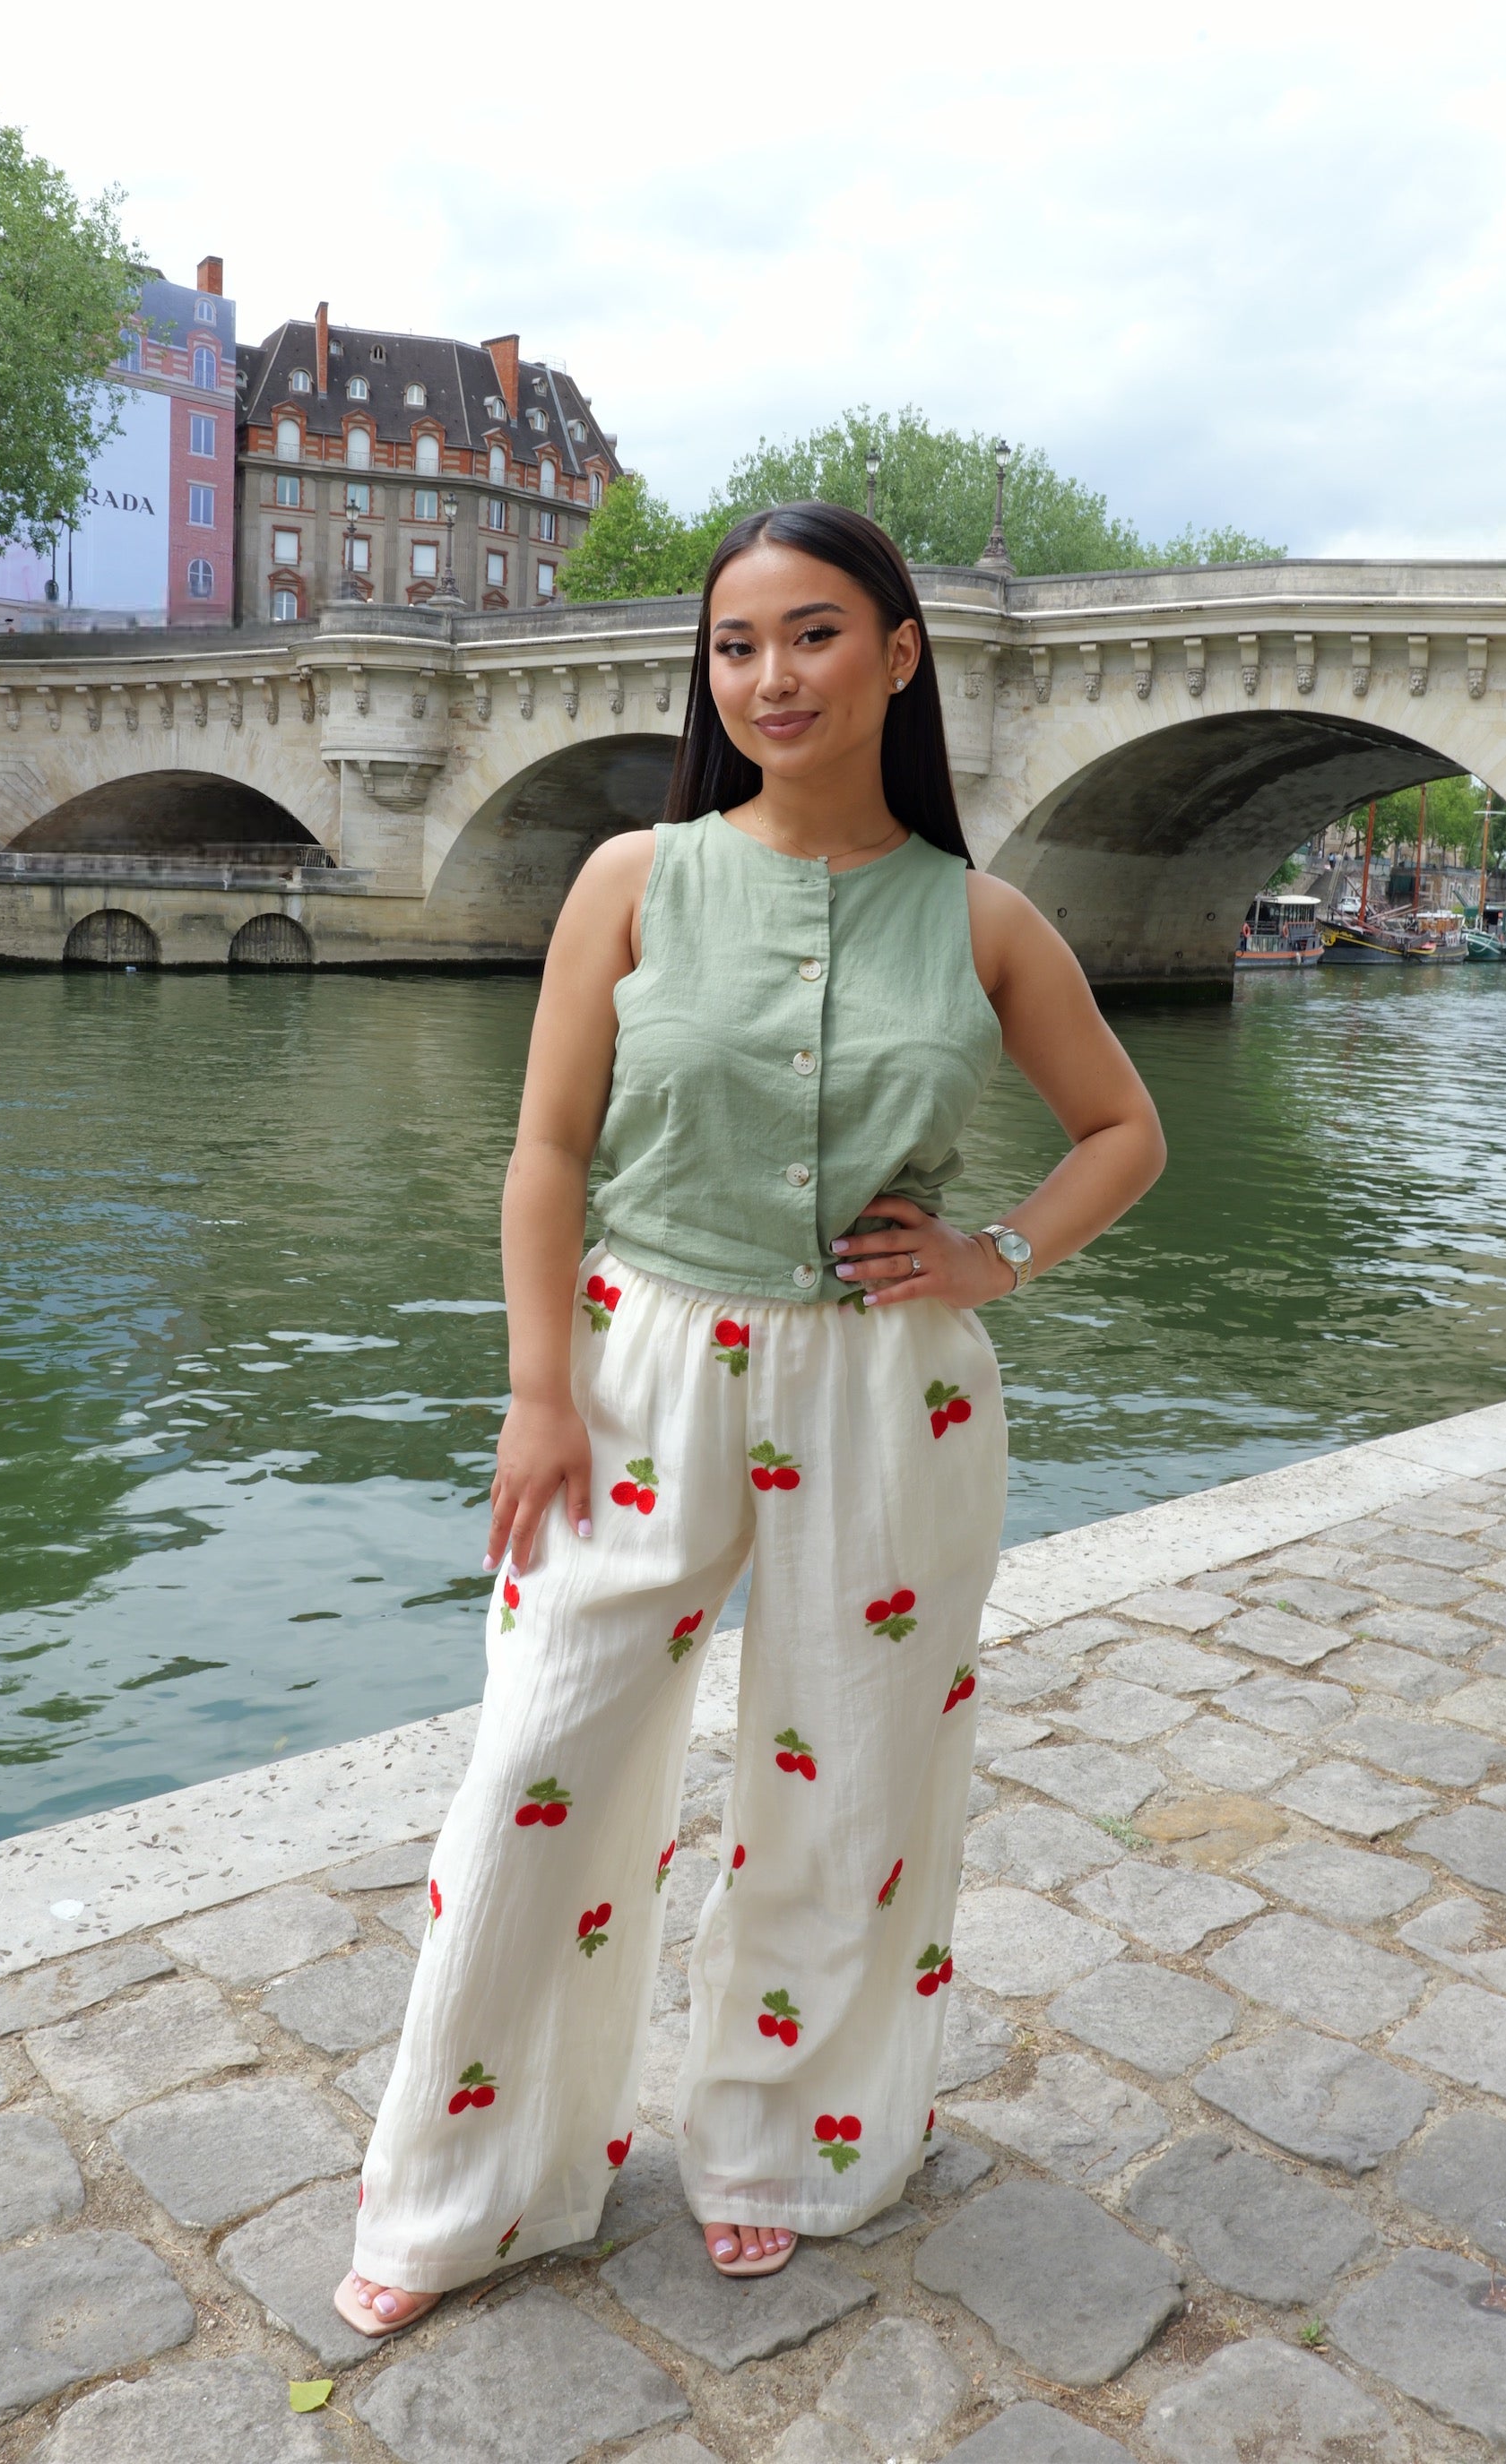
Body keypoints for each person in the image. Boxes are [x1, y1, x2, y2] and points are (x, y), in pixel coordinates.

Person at [337, 501, 1165, 2333]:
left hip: (888, 1388)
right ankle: (470, 2182)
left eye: (809, 634)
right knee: (538, 1768)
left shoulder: (983, 917)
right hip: (637, 1367)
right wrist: (537, 1390)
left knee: (855, 1783)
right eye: (735, 644)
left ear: (898, 653)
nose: (769, 675)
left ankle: (789, 2142)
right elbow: (548, 1148)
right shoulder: (632, 877)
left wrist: (995, 1256)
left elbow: (1127, 1134)